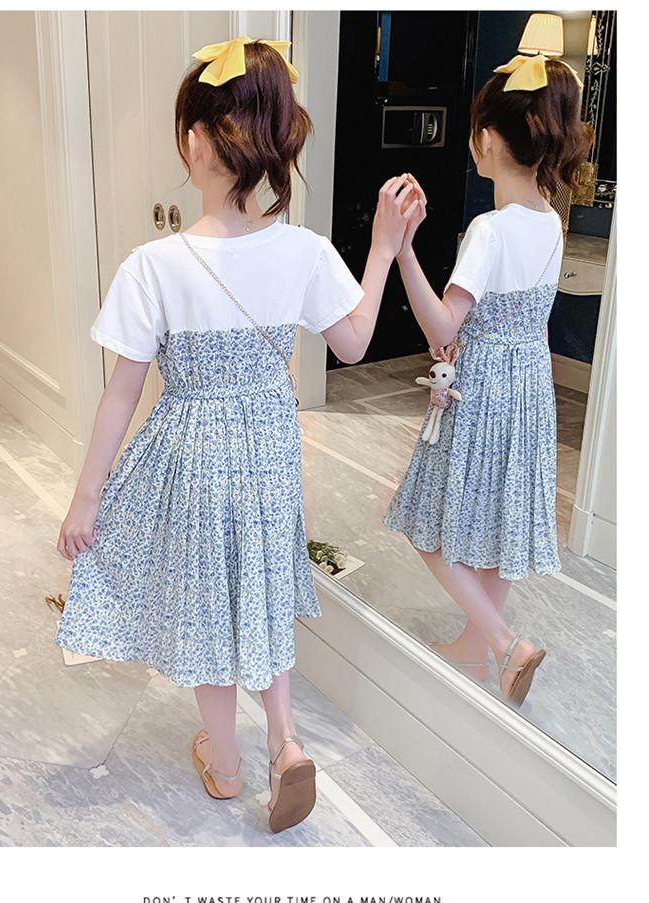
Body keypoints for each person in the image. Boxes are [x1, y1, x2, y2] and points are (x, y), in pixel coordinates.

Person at [54, 36, 414, 833]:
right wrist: (383, 249)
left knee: (206, 607)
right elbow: (354, 340)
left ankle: (224, 765)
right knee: (261, 590)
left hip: (192, 459)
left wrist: (86, 499)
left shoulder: (154, 265)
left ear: (194, 141)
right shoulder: (304, 251)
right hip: (270, 456)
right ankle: (285, 742)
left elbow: (122, 393)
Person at [383, 54, 593, 706]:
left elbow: (442, 324)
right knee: (499, 519)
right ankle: (478, 648)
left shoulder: (490, 229)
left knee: (429, 520)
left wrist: (402, 249)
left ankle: (503, 641)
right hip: (529, 387)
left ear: (490, 139)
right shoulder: (551, 222)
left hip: (482, 391)